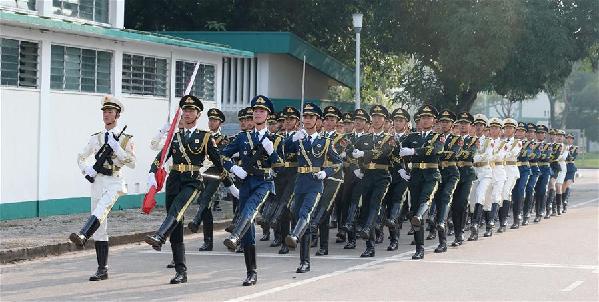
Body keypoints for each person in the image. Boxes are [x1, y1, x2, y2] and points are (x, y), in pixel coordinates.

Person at [144, 95, 229, 284]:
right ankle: (180, 271)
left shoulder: (205, 137)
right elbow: (161, 156)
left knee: (177, 209)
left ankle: (159, 235)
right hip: (174, 179)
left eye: (191, 111)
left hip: (193, 180)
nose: (187, 113)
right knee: (175, 224)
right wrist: (152, 172)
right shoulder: (175, 137)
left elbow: (217, 161)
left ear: (198, 114)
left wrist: (228, 181)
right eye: (185, 110)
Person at [71, 96, 135, 281]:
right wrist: (87, 169)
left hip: (115, 181)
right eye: (105, 112)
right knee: (101, 227)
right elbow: (80, 157)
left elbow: (131, 163)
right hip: (98, 181)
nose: (107, 115)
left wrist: (118, 149)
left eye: (110, 112)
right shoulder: (96, 138)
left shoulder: (125, 139)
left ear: (117, 114)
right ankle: (102, 269)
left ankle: (83, 234)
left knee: (101, 209)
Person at [221, 95, 280, 286]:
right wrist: (233, 168)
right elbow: (222, 156)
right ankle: (251, 272)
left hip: (264, 183)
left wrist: (271, 151)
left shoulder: (275, 139)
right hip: (246, 183)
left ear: (268, 115)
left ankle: (235, 234)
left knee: (250, 210)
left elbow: (279, 166)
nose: (257, 113)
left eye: (261, 111)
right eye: (255, 110)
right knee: (250, 231)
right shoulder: (242, 137)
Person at [284, 103, 342, 272]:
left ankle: (298, 245)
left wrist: (326, 172)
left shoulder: (325, 142)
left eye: (311, 117)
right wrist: (293, 138)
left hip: (315, 184)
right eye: (305, 117)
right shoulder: (298, 138)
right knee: (300, 219)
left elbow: (338, 162)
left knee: (305, 213)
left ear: (318, 120)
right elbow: (282, 150)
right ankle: (304, 259)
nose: (307, 120)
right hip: (300, 183)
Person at [187, 108, 235, 252]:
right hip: (203, 174)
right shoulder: (203, 137)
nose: (211, 123)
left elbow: (221, 158)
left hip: (216, 174)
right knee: (205, 205)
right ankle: (208, 241)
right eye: (210, 120)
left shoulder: (224, 140)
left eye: (214, 120)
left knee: (206, 198)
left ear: (220, 123)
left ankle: (196, 221)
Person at [399, 104, 444, 259]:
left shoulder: (438, 137)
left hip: (431, 174)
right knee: (413, 211)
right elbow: (399, 153)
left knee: (426, 200)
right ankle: (420, 248)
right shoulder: (411, 137)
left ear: (434, 120)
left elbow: (435, 150)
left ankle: (419, 216)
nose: (425, 120)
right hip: (416, 175)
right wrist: (402, 169)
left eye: (428, 118)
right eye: (423, 118)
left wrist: (414, 151)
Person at [350, 105, 394, 257]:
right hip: (367, 175)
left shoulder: (390, 138)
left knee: (376, 203)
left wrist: (364, 153)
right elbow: (351, 152)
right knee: (367, 206)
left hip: (382, 175)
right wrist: (356, 166)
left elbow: (383, 152)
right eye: (374, 117)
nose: (376, 120)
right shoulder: (364, 138)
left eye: (379, 117)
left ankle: (368, 228)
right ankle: (370, 247)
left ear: (385, 120)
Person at [309, 105, 345, 256]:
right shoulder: (317, 136)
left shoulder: (342, 138)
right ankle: (314, 236)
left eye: (333, 119)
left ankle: (323, 245)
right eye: (327, 119)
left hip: (334, 177)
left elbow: (343, 156)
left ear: (337, 122)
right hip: (318, 176)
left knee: (326, 208)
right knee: (315, 207)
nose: (329, 122)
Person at [429, 110, 462, 252]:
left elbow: (454, 153)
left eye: (447, 122)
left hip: (451, 173)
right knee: (436, 200)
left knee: (446, 196)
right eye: (442, 121)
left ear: (452, 124)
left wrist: (436, 152)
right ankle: (441, 238)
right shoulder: (434, 137)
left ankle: (442, 224)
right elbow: (430, 151)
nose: (444, 124)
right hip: (438, 172)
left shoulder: (457, 139)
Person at [384, 108, 411, 251]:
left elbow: (414, 156)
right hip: (391, 174)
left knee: (397, 200)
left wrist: (407, 170)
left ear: (406, 123)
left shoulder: (411, 137)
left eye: (401, 120)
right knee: (388, 204)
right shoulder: (388, 138)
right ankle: (393, 236)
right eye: (396, 120)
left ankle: (394, 232)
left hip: (406, 176)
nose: (398, 123)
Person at [450, 112, 477, 246]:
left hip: (467, 174)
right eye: (461, 123)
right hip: (453, 173)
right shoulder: (452, 139)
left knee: (462, 202)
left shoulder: (473, 140)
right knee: (454, 205)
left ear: (470, 126)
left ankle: (460, 231)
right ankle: (457, 234)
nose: (463, 126)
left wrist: (455, 152)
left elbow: (470, 154)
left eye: (465, 123)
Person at [562, 133, 578, 213]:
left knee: (568, 184)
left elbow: (572, 156)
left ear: (572, 140)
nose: (569, 139)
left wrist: (566, 152)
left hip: (571, 167)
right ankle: (563, 204)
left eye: (570, 138)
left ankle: (565, 201)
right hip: (563, 167)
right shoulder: (562, 147)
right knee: (563, 187)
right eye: (567, 138)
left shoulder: (575, 148)